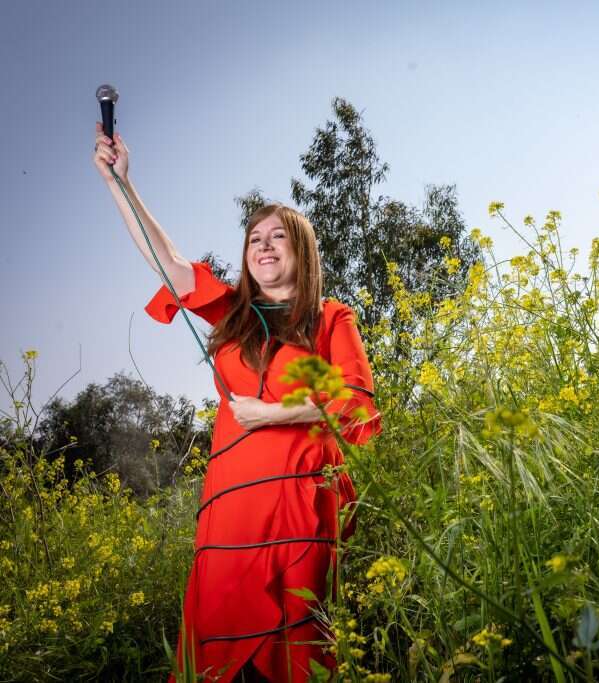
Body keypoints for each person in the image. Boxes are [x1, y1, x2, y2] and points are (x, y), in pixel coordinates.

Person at [93, 123, 382, 682]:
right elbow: (167, 261)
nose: (264, 247)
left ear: (302, 251)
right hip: (230, 515)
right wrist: (120, 184)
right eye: (255, 239)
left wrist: (273, 414)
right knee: (221, 653)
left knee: (298, 644)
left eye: (278, 237)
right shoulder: (235, 316)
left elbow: (358, 406)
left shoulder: (330, 319)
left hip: (302, 505)